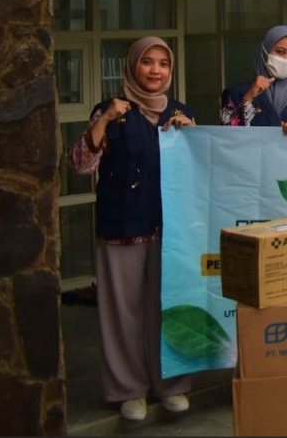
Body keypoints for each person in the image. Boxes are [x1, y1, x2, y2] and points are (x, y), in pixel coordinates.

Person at [68, 37, 195, 422]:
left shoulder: (179, 112)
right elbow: (81, 165)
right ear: (132, 67)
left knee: (168, 309)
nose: (155, 71)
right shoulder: (110, 110)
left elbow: (199, 169)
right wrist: (105, 118)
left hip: (169, 229)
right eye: (147, 63)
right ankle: (129, 390)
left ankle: (170, 386)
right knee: (122, 312)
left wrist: (189, 134)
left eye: (163, 64)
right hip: (121, 226)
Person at [219, 25, 287, 133]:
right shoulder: (236, 92)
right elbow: (226, 136)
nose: (286, 59)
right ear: (264, 52)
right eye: (280, 52)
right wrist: (249, 97)